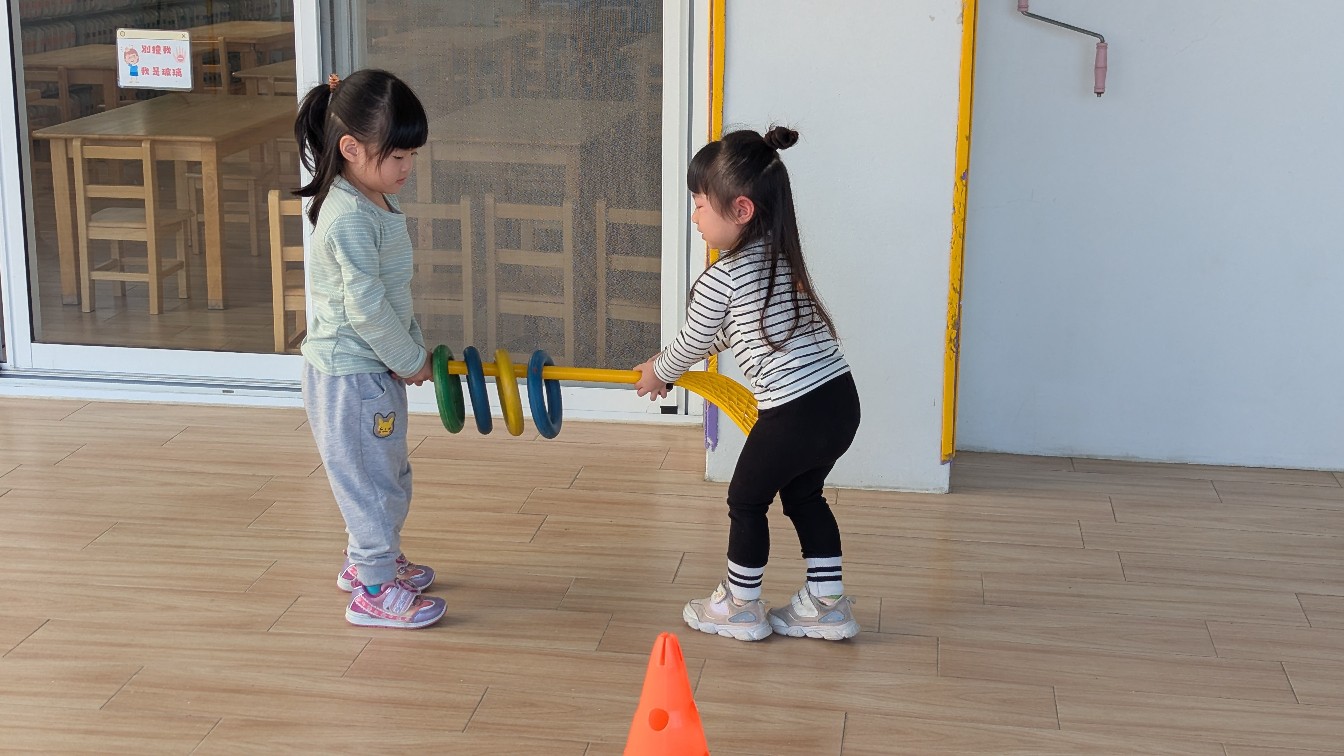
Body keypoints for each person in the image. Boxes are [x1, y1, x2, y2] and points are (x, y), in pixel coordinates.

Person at [633, 126, 862, 641]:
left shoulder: (724, 276)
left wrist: (659, 373)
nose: (695, 216)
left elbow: (694, 340)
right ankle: (827, 604)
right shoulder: (780, 261)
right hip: (839, 402)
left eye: (699, 205)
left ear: (740, 210)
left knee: (746, 499)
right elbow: (729, 334)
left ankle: (739, 605)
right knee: (804, 495)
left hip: (793, 412)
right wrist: (670, 365)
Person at [294, 70, 445, 629]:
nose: (408, 168)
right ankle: (374, 588)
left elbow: (387, 295)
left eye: (412, 156)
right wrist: (411, 360)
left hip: (368, 370)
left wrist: (407, 352)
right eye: (398, 156)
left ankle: (371, 560)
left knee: (384, 472)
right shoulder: (350, 217)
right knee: (370, 481)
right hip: (351, 376)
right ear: (350, 149)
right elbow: (366, 309)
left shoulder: (369, 197)